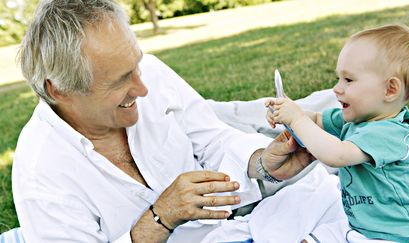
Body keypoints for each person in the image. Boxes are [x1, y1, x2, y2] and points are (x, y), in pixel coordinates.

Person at [12, 1, 316, 242]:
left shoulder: (149, 74)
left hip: (235, 222)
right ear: (61, 90)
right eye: (120, 81)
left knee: (323, 117)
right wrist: (160, 218)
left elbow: (212, 138)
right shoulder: (41, 174)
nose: (143, 89)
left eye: (137, 67)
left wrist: (261, 163)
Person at [266, 24, 409, 242]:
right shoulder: (357, 119)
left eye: (348, 79)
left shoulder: (388, 133)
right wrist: (288, 113)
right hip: (363, 225)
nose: (336, 88)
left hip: (399, 232)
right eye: (338, 78)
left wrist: (296, 119)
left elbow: (337, 155)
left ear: (390, 89)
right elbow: (316, 120)